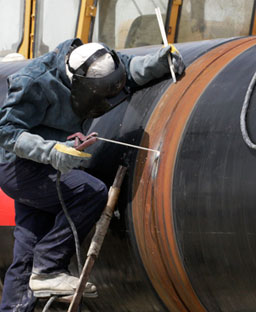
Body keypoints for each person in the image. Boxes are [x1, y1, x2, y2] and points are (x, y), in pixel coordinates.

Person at [0, 38, 185, 311]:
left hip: (51, 162)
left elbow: (127, 70)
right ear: (78, 83)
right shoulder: (35, 81)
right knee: (90, 192)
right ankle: (49, 266)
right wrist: (52, 150)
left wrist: (158, 62)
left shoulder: (94, 62)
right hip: (21, 166)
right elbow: (7, 132)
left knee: (27, 246)